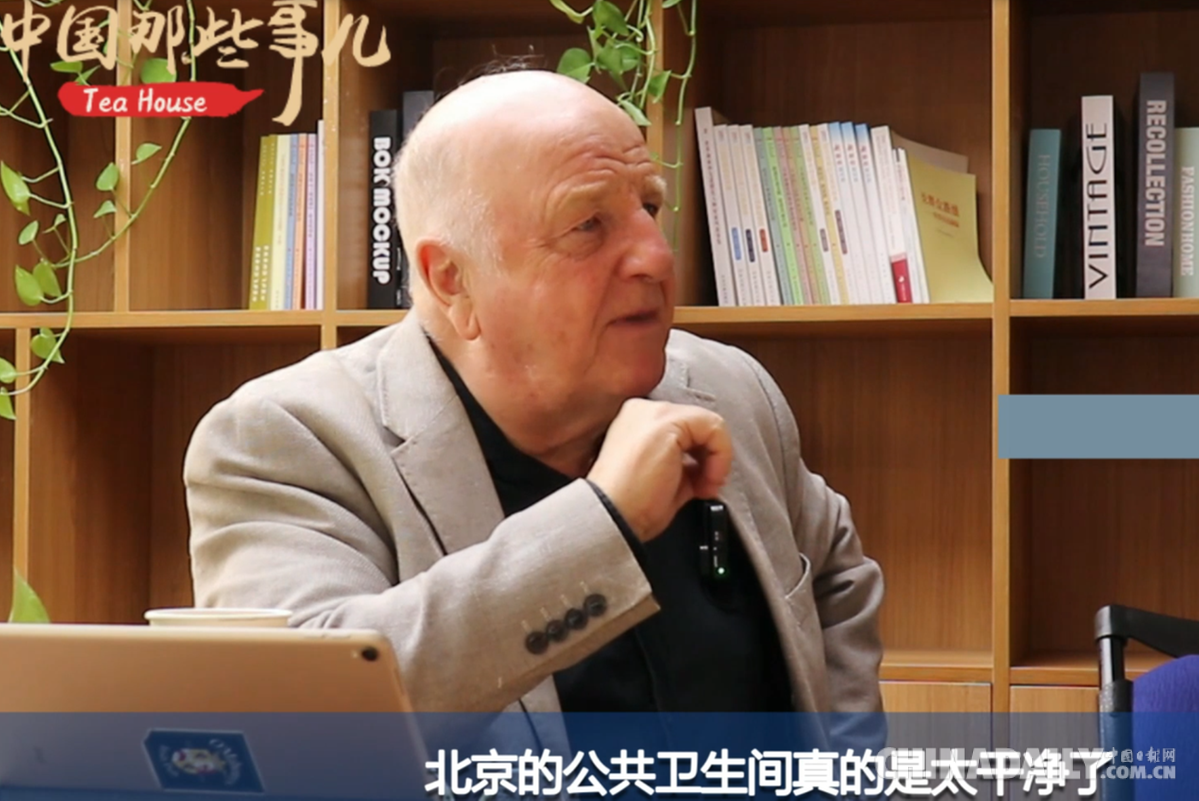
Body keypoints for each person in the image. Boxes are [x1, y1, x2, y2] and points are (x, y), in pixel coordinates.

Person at [183, 68, 884, 744]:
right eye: (587, 225)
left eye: (648, 208)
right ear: (451, 279)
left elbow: (832, 576)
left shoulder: (730, 387)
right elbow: (304, 716)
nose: (656, 257)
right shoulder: (287, 438)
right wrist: (606, 521)